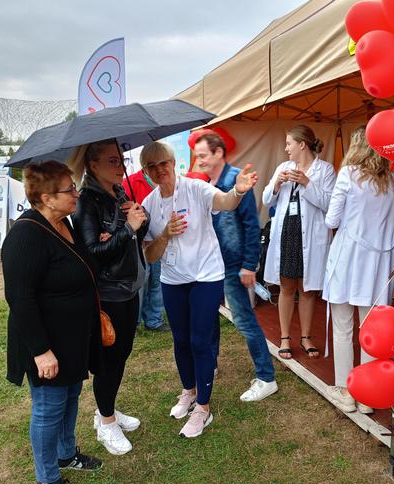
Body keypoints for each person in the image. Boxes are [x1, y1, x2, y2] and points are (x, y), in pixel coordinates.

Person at [141, 141, 258, 438]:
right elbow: (149, 255)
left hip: (206, 275)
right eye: (151, 166)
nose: (159, 170)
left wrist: (239, 190)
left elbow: (225, 202)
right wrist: (166, 234)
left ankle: (203, 410)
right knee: (180, 340)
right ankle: (188, 391)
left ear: (173, 161)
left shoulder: (195, 188)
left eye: (163, 163)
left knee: (199, 341)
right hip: (172, 279)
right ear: (146, 172)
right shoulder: (149, 204)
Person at [2, 161, 101, 484]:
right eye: (68, 189)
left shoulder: (66, 222)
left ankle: (66, 453)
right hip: (47, 342)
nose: (76, 193)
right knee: (48, 407)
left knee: (71, 396)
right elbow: (19, 298)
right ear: (46, 197)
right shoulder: (26, 234)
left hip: (72, 338)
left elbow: (82, 266)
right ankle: (47, 480)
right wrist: (41, 351)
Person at [70, 139, 149, 455]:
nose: (122, 167)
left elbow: (134, 236)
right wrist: (126, 230)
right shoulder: (87, 201)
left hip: (128, 286)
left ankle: (108, 412)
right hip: (109, 292)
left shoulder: (118, 194)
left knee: (122, 354)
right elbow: (93, 253)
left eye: (122, 161)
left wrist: (138, 220)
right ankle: (105, 421)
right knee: (110, 361)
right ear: (93, 165)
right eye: (113, 161)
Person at [322, 127, 394, 414]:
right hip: (380, 262)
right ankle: (367, 396)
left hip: (348, 259)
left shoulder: (348, 175)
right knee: (372, 330)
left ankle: (346, 391)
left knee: (343, 327)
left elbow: (331, 219)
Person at [193, 132, 278, 402]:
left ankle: (266, 378)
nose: (199, 161)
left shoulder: (235, 179)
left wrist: (249, 265)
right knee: (209, 317)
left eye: (203, 155)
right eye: (197, 156)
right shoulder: (209, 183)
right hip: (212, 264)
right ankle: (211, 364)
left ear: (218, 153)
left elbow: (252, 225)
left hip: (233, 265)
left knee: (244, 320)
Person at [262, 125, 336, 360]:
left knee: (307, 289)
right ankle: (285, 337)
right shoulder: (284, 167)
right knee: (286, 286)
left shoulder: (325, 170)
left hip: (311, 237)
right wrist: (276, 185)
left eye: (288, 144)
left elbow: (330, 204)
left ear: (302, 144)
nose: (286, 149)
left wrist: (307, 182)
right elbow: (266, 200)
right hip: (287, 233)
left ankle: (306, 337)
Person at [123, 166, 169, 332]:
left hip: (157, 240)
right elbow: (123, 211)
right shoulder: (132, 181)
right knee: (141, 283)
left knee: (157, 281)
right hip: (140, 242)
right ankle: (134, 322)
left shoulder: (163, 181)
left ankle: (154, 319)